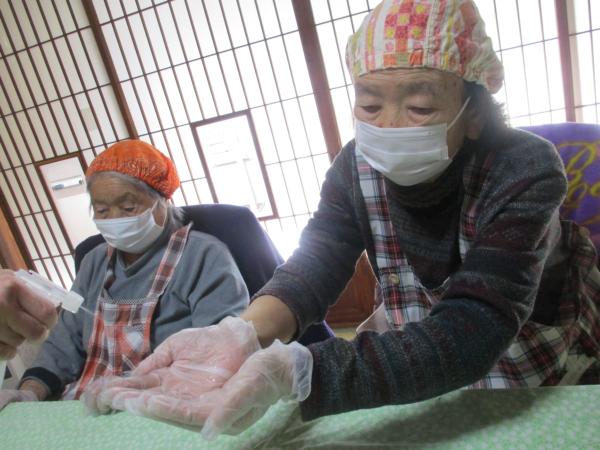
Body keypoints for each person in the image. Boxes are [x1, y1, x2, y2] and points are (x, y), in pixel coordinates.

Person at [73, 0, 600, 439]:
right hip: (421, 350)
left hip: (522, 351)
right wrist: (240, 334)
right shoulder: (354, 166)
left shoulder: (524, 167)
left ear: (476, 111)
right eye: (369, 106)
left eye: (419, 108)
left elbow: (476, 324)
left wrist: (305, 371)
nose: (389, 127)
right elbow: (316, 261)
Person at [0, 140, 250, 410]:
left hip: (168, 401)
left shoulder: (204, 255)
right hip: (88, 402)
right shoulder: (93, 261)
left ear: (164, 201)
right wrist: (28, 393)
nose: (114, 219)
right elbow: (63, 343)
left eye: (129, 208)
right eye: (102, 210)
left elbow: (220, 347)